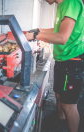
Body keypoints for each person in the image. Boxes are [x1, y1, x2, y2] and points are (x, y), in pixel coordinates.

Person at [25, 0, 84, 132]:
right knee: (58, 96)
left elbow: (62, 37)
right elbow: (58, 30)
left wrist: (35, 35)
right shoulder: (62, 5)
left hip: (72, 61)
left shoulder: (71, 2)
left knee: (69, 105)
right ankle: (61, 124)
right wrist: (38, 30)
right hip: (62, 60)